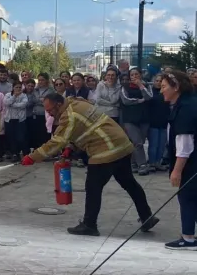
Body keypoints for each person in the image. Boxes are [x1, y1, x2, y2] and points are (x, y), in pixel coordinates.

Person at [22, 93, 158, 236]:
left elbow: (57, 141)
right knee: (130, 183)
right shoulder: (77, 103)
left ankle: (89, 225)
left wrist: (32, 157)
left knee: (93, 187)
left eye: (50, 110)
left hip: (106, 150)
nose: (49, 114)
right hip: (121, 145)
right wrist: (72, 147)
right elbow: (85, 129)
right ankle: (147, 216)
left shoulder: (69, 115)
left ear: (58, 104)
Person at [160, 71, 197, 249]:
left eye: (164, 87)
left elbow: (185, 143)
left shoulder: (186, 107)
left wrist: (177, 170)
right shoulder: (185, 103)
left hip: (191, 163)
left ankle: (188, 237)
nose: (162, 91)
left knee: (188, 197)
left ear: (176, 87)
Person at [121, 67, 152, 173]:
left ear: (140, 75)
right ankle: (142, 164)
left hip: (144, 118)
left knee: (140, 142)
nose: (134, 77)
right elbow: (125, 100)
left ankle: (133, 163)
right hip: (130, 119)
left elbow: (149, 97)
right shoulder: (125, 87)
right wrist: (139, 101)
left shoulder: (147, 85)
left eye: (136, 74)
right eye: (132, 75)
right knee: (137, 142)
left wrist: (140, 85)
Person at [147, 73, 169, 173]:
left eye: (161, 81)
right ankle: (151, 163)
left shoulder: (167, 93)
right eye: (157, 81)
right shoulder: (150, 92)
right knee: (153, 144)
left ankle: (158, 162)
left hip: (164, 122)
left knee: (161, 145)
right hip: (153, 122)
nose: (158, 83)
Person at [3, 82, 28, 162]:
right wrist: (14, 96)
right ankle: (14, 154)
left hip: (20, 120)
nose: (18, 89)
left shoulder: (24, 95)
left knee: (20, 137)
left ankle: (24, 152)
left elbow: (23, 105)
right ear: (13, 88)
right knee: (11, 138)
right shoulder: (8, 95)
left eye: (19, 87)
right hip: (9, 119)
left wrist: (13, 105)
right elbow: (6, 103)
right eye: (16, 87)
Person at [32, 73, 54, 149]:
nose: (40, 82)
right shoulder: (35, 90)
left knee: (45, 133)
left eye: (42, 80)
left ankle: (46, 150)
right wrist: (42, 100)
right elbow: (33, 100)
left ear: (46, 81)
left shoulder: (51, 90)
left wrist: (42, 101)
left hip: (46, 115)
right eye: (39, 80)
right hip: (36, 114)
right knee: (37, 133)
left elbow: (48, 102)